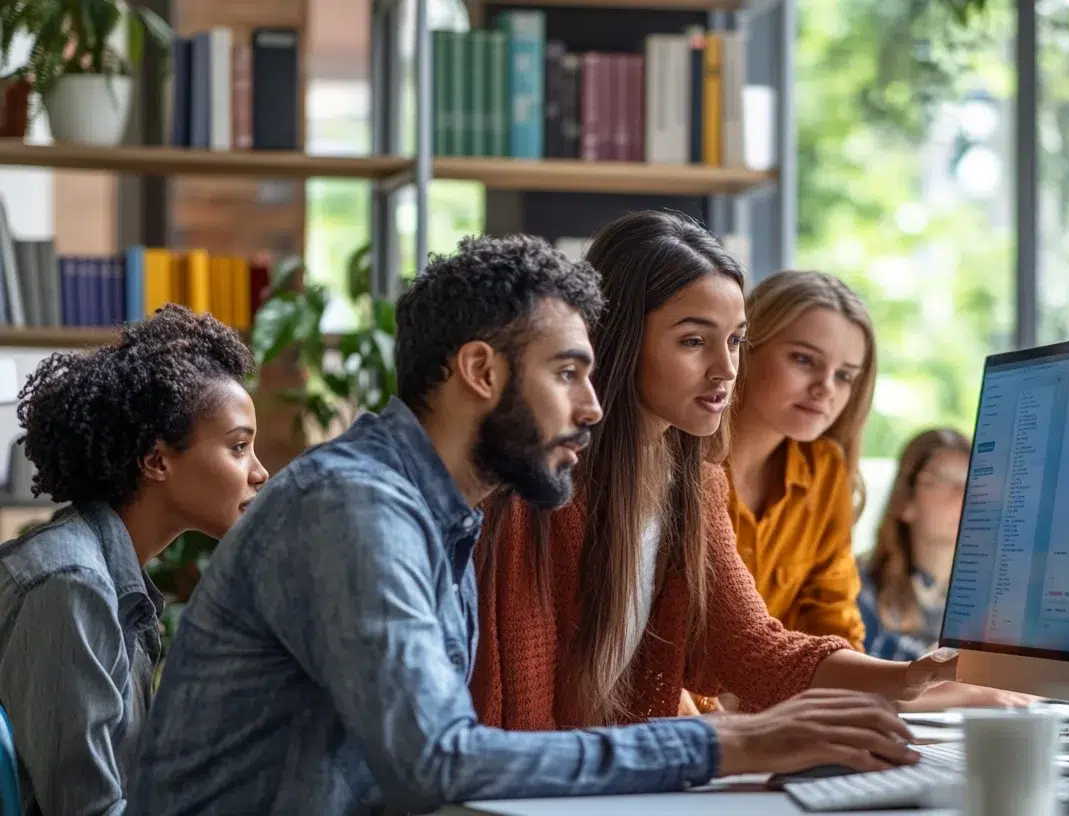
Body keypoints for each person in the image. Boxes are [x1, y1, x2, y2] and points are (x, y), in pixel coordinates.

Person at [128, 235, 919, 815]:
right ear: (480, 371)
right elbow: (440, 760)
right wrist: (730, 743)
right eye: (569, 372)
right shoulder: (356, 510)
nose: (593, 405)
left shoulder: (445, 515)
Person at [472, 210, 968, 734]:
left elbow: (754, 648)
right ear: (619, 336)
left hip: (621, 775)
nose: (726, 369)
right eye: (693, 341)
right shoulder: (533, 480)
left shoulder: (696, 483)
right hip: (531, 786)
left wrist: (910, 677)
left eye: (734, 341)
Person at [0, 305, 268, 816]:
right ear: (156, 460)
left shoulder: (111, 580)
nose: (260, 473)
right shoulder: (70, 585)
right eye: (238, 447)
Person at [725, 270, 874, 648]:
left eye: (844, 376)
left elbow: (833, 626)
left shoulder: (825, 470)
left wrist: (921, 685)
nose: (825, 388)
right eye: (804, 360)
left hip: (777, 703)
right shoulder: (673, 465)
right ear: (744, 347)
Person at [857, 427, 971, 662]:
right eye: (943, 480)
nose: (965, 494)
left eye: (975, 481)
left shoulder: (991, 606)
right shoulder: (857, 587)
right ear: (906, 500)